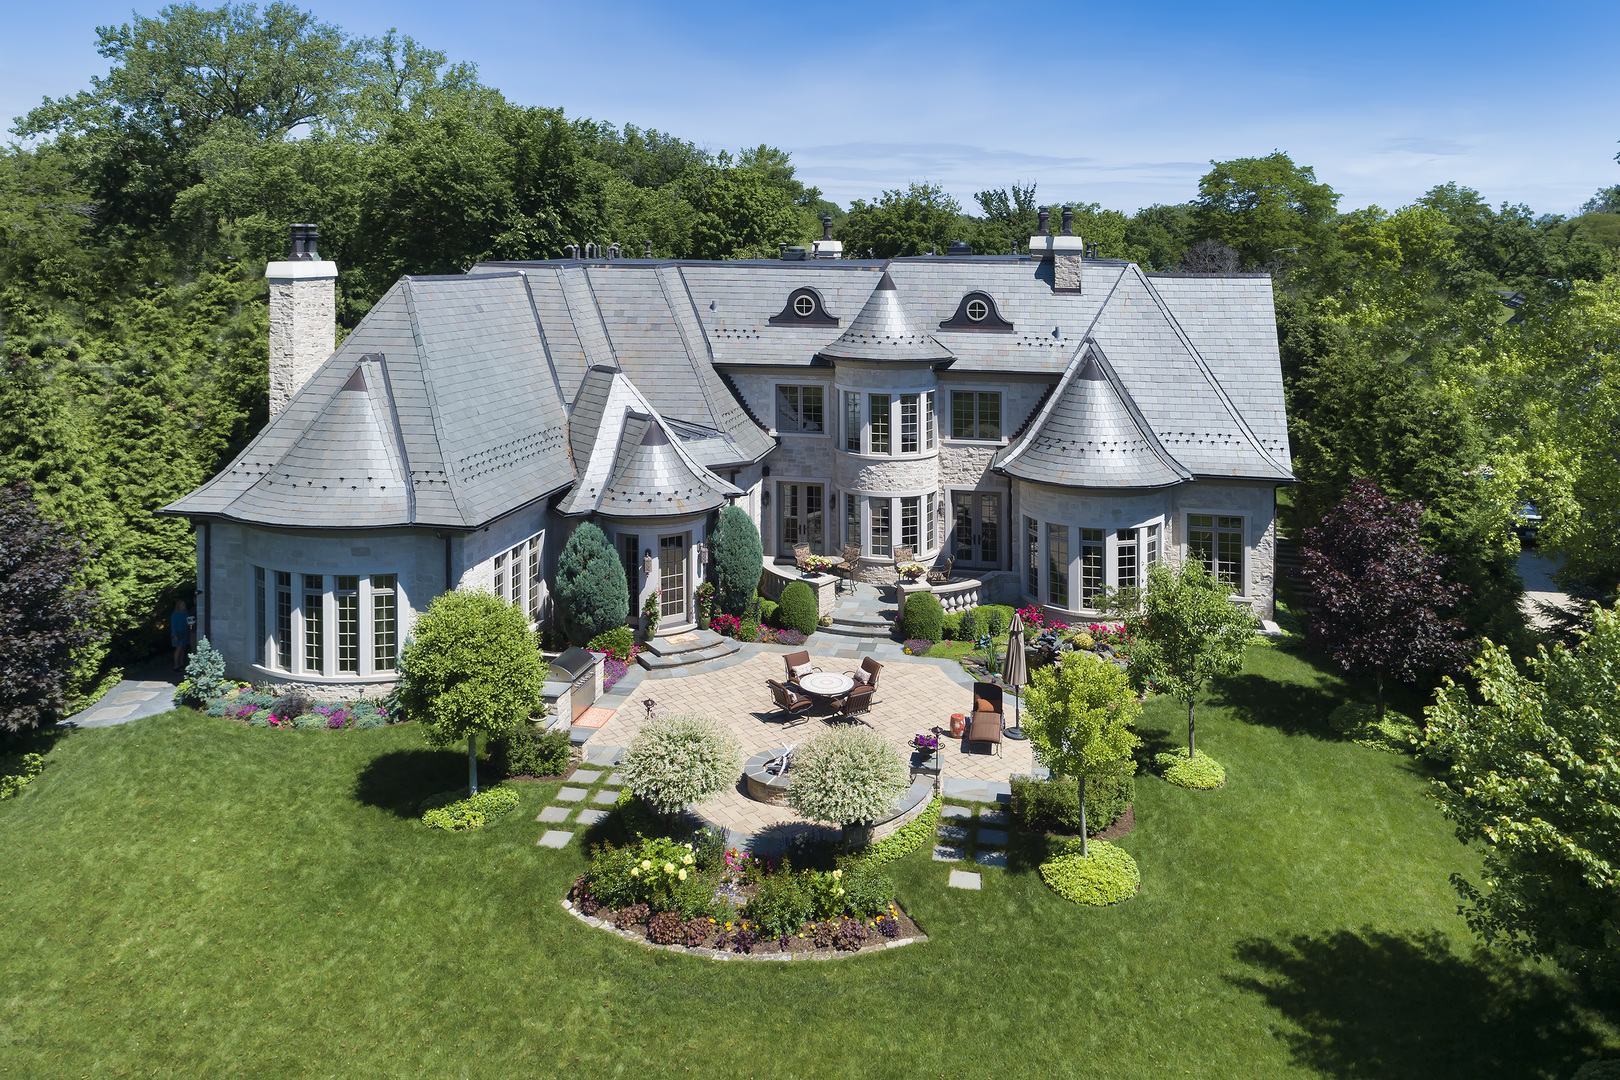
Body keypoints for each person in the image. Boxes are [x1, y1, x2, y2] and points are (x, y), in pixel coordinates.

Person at [171, 599, 191, 672]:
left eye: (184, 605)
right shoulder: (175, 614)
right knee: (178, 649)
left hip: (185, 632)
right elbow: (173, 625)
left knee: (183, 648)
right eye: (182, 605)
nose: (183, 606)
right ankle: (176, 665)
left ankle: (181, 663)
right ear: (178, 606)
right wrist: (174, 635)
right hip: (178, 633)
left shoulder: (186, 612)